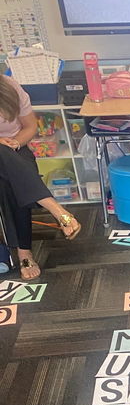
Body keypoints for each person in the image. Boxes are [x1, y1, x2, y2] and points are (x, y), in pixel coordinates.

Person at [0, 76, 80, 279]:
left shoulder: (9, 86)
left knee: (8, 180)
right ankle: (55, 208)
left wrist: (15, 143)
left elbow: (30, 127)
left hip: (14, 150)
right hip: (6, 153)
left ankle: (23, 253)